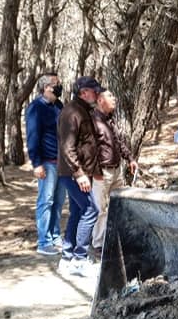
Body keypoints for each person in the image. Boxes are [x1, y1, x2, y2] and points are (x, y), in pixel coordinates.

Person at [56, 76, 104, 278]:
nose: (97, 94)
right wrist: (79, 174)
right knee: (91, 210)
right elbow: (67, 147)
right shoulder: (72, 112)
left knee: (77, 211)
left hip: (82, 172)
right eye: (94, 91)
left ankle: (67, 258)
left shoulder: (84, 110)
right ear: (84, 92)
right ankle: (79, 259)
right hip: (73, 174)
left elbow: (88, 144)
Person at [89, 88, 138, 256]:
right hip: (102, 172)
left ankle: (114, 240)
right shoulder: (92, 121)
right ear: (100, 100)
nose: (114, 98)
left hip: (116, 171)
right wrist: (95, 172)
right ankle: (98, 244)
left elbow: (118, 142)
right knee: (100, 208)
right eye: (110, 96)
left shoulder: (109, 120)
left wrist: (130, 158)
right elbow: (88, 150)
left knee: (118, 205)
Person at [25, 72, 65, 256]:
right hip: (47, 163)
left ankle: (55, 236)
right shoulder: (36, 107)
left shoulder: (59, 106)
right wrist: (37, 163)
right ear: (46, 87)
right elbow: (32, 137)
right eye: (56, 84)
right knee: (45, 201)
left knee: (58, 202)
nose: (59, 86)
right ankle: (44, 242)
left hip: (62, 162)